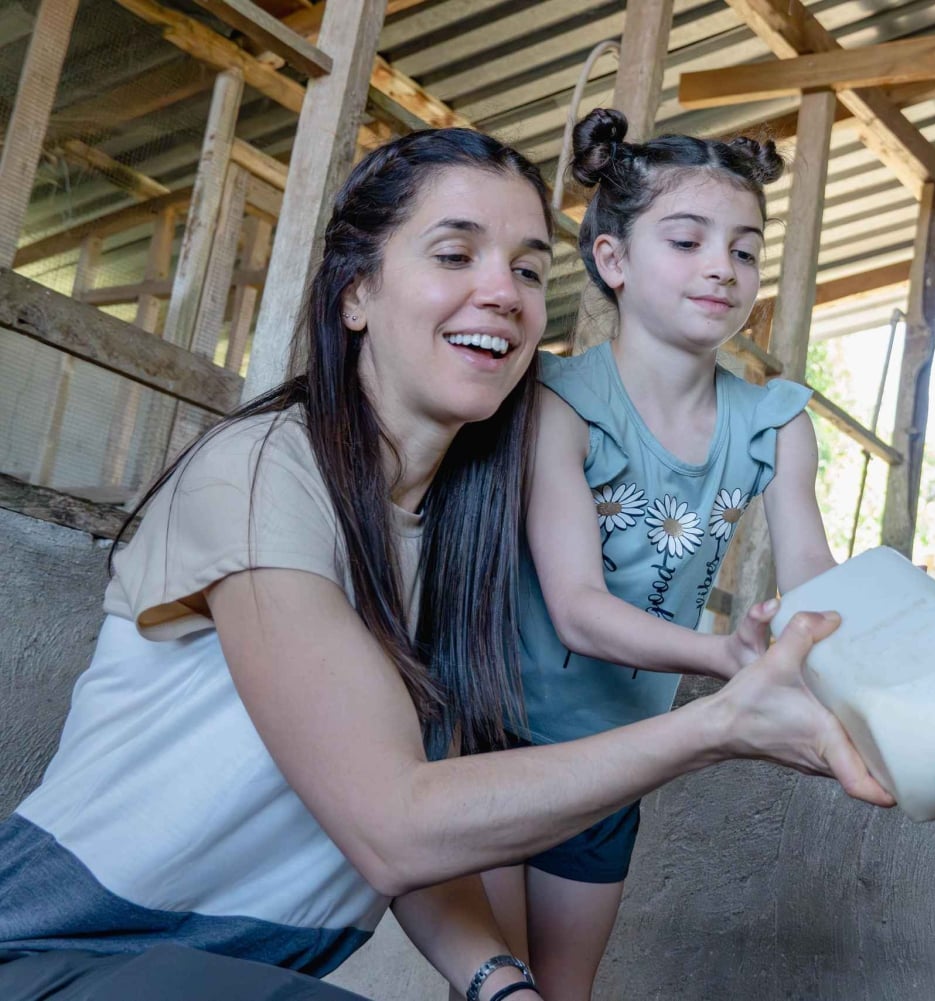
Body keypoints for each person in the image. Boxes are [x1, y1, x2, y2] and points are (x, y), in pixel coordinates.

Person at [0, 128, 889, 1001]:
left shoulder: (464, 529)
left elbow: (431, 814)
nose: (501, 292)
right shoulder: (267, 469)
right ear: (355, 292)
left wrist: (498, 982)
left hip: (240, 970)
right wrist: (718, 722)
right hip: (66, 949)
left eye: (529, 270)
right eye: (456, 254)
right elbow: (395, 824)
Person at [494, 108, 845, 1000]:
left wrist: (842, 651)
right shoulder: (558, 402)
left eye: (744, 249)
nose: (721, 268)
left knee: (564, 991)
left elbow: (812, 569)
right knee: (494, 991)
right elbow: (575, 605)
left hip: (619, 756)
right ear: (613, 259)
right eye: (687, 241)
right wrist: (727, 656)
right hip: (493, 740)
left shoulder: (776, 420)